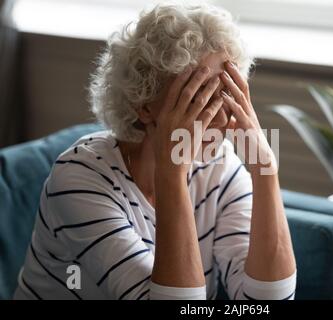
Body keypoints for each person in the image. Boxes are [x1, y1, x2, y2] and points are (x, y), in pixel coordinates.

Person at [14, 3, 297, 300]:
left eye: (225, 94)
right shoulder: (79, 178)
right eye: (199, 98)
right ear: (145, 105)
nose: (220, 117)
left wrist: (265, 169)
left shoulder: (220, 167)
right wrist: (172, 172)